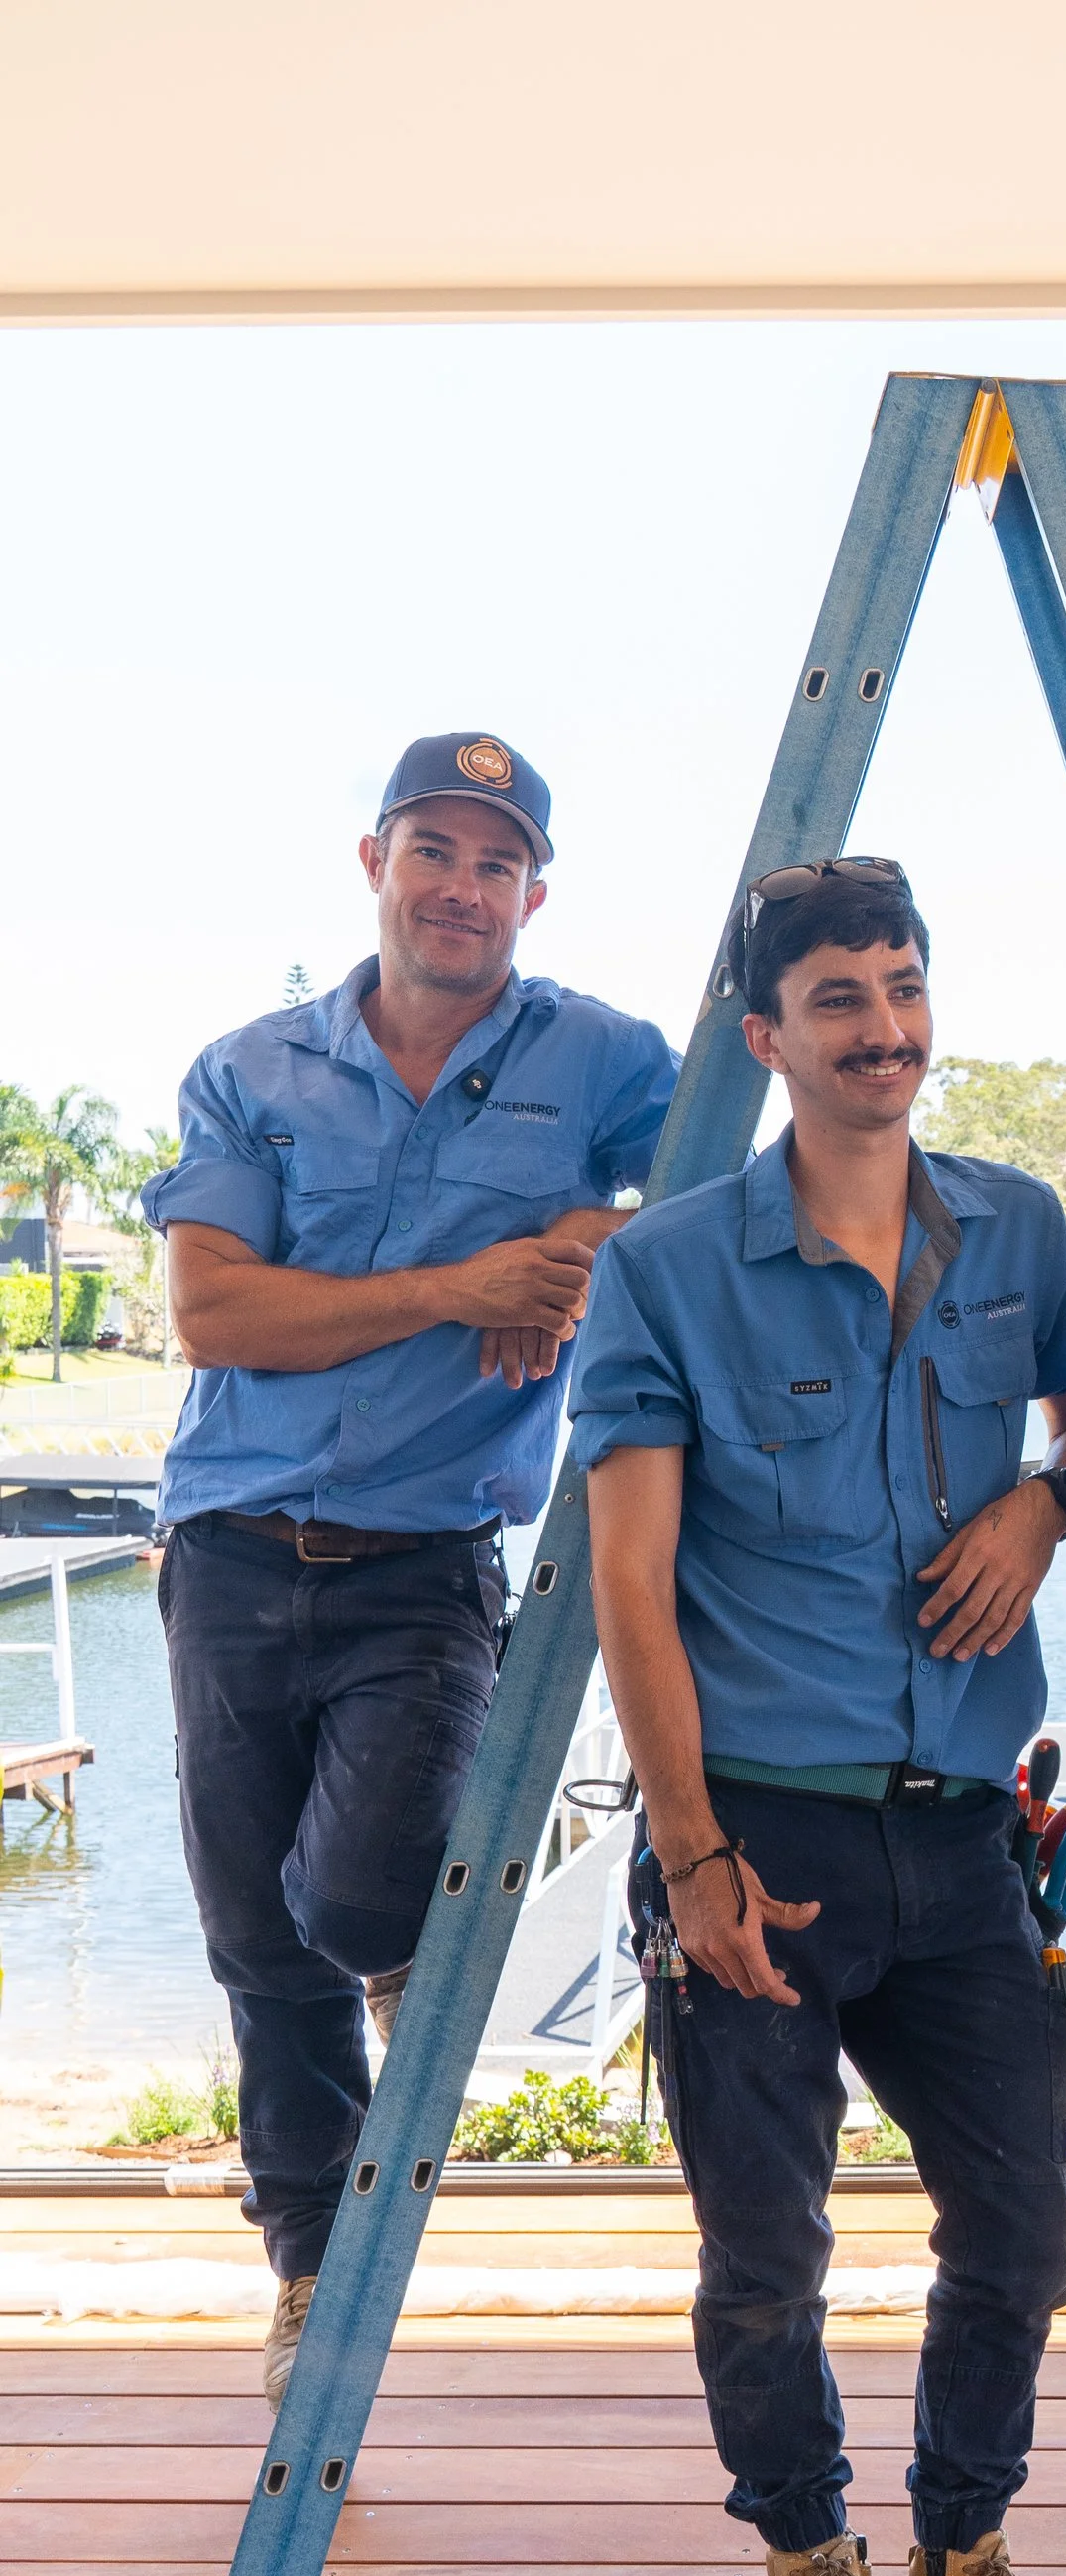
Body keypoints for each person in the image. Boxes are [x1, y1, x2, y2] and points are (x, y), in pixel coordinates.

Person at [569, 855, 1066, 2576]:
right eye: (837, 996)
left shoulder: (1022, 1228)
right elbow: (631, 1585)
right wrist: (695, 1850)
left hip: (963, 1832)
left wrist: (1044, 1508)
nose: (881, 1025)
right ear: (766, 1036)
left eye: (901, 984)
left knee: (1029, 2222)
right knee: (763, 2255)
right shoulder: (668, 1269)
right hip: (766, 1844)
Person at [144, 734, 675, 2406]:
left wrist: (582, 1251)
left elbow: (722, 1206)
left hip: (433, 1565)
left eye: (496, 861)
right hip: (230, 1545)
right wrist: (467, 1288)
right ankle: (317, 2270)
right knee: (253, 1947)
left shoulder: (602, 1058)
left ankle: (403, 2025)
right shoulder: (252, 1069)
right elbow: (215, 1312)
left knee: (363, 1902)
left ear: (535, 890)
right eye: (434, 850)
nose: (463, 886)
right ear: (373, 860)